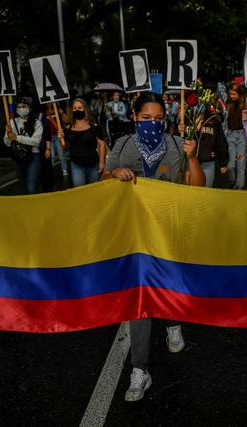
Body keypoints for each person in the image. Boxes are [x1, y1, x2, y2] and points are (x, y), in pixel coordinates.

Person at [102, 92, 205, 402]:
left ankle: (173, 321)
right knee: (140, 298)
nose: (153, 123)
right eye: (146, 118)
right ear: (134, 118)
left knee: (170, 287)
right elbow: (103, 178)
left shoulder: (176, 145)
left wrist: (192, 157)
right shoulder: (122, 146)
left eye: (159, 119)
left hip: (168, 234)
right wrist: (114, 175)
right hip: (135, 237)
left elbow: (197, 187)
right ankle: (140, 369)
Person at [58, 98, 106, 187]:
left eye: (80, 108)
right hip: (76, 165)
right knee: (80, 189)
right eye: (75, 108)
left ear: (85, 109)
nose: (77, 110)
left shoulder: (94, 126)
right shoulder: (68, 128)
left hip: (93, 164)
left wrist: (102, 162)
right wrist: (61, 139)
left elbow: (101, 144)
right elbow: (64, 147)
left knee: (94, 189)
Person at [179, 108, 229, 188]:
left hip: (208, 162)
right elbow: (180, 140)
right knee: (190, 191)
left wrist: (223, 163)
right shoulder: (187, 118)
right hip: (190, 163)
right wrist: (180, 130)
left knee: (206, 190)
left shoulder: (214, 120)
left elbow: (220, 141)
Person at [4, 96, 43, 194]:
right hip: (18, 158)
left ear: (29, 107)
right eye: (19, 106)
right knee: (23, 186)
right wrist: (9, 136)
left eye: (24, 106)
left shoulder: (37, 123)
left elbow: (36, 141)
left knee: (31, 188)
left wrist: (17, 138)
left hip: (33, 157)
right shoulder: (12, 122)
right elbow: (7, 143)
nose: (21, 109)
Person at [225, 83, 247, 189]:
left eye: (234, 94)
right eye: (230, 94)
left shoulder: (245, 104)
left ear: (239, 94)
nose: (232, 96)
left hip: (241, 136)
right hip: (230, 135)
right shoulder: (227, 104)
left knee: (240, 163)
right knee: (230, 165)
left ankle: (239, 187)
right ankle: (232, 181)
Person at [46, 103, 69, 178]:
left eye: (49, 102)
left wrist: (62, 113)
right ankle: (50, 172)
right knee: (51, 155)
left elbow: (66, 121)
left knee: (61, 153)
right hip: (49, 137)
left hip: (58, 135)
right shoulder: (44, 113)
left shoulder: (57, 110)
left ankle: (64, 169)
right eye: (47, 102)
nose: (48, 103)